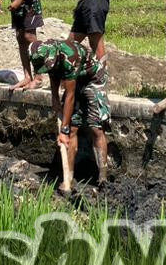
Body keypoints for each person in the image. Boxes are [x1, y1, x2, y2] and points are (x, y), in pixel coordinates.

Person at [29, 38, 110, 193]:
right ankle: (68, 179)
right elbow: (54, 73)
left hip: (93, 78)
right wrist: (54, 97)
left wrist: (63, 130)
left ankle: (103, 179)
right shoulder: (47, 53)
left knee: (96, 128)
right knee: (73, 129)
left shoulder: (69, 56)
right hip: (74, 79)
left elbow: (70, 96)